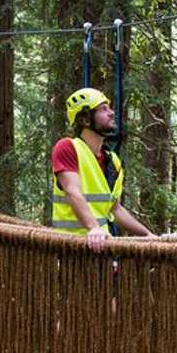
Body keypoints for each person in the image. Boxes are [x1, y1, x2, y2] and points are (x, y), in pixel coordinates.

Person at [51, 87, 155, 250]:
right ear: (85, 119)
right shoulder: (67, 147)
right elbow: (73, 191)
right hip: (70, 248)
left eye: (110, 108)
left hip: (102, 246)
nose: (112, 113)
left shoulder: (113, 161)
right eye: (103, 109)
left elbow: (115, 209)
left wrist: (148, 235)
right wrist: (93, 228)